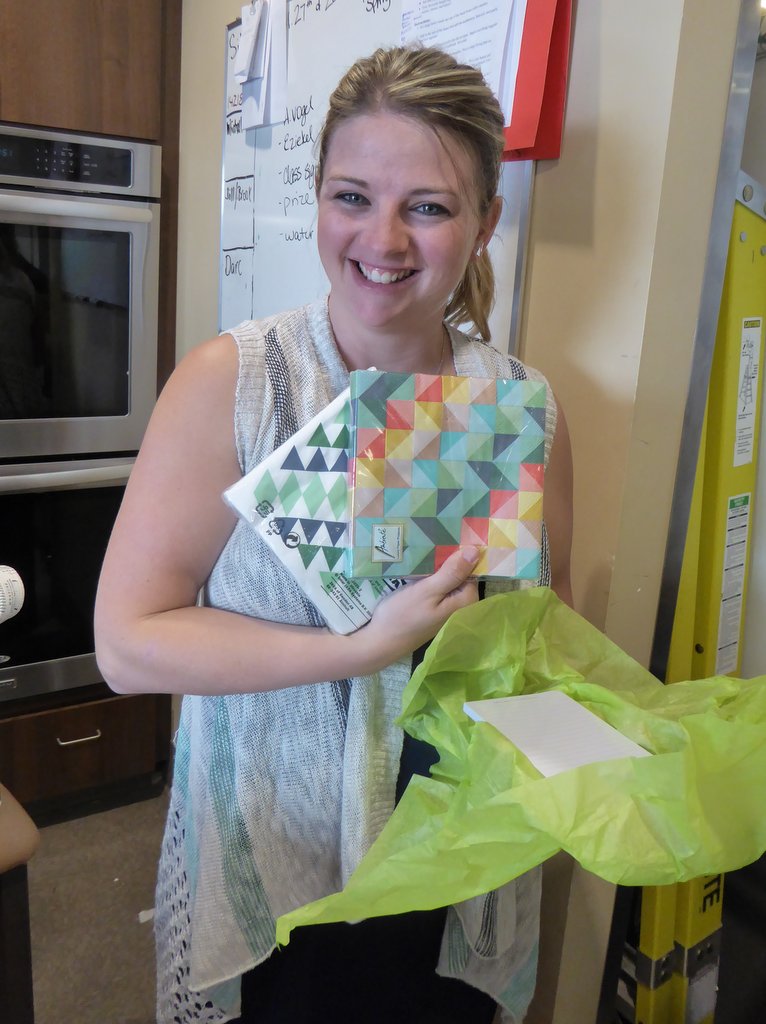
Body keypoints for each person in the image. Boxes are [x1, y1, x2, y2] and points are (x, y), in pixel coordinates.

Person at [94, 44, 573, 1024]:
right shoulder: (237, 385)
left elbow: (544, 631)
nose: (382, 239)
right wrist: (360, 648)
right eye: (352, 196)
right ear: (317, 198)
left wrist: (586, 726)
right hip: (282, 867)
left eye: (427, 207)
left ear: (486, 222)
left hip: (458, 871)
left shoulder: (520, 404)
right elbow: (128, 643)